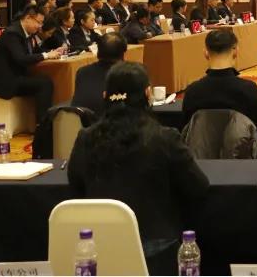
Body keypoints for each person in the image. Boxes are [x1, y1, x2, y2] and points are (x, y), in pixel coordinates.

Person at [67, 62, 209, 275]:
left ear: (105, 96)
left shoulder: (85, 138)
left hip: (99, 245)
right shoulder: (164, 138)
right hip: (156, 247)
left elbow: (76, 189)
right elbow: (198, 186)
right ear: (148, 94)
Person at [182, 29, 257, 139]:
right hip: (243, 150)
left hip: (200, 149)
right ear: (235, 52)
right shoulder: (249, 89)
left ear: (206, 53)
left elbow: (187, 131)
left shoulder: (192, 91)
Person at [0, 6, 59, 125]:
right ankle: (42, 126)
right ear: (28, 18)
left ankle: (42, 123)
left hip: (17, 76)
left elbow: (36, 52)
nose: (40, 26)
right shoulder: (12, 33)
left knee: (45, 79)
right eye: (38, 22)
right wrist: (46, 55)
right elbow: (21, 58)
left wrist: (53, 53)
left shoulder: (27, 33)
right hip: (4, 82)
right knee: (45, 83)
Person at [71, 33, 127, 116]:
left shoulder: (82, 72)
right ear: (124, 53)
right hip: (111, 122)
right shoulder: (129, 75)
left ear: (98, 52)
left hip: (80, 121)